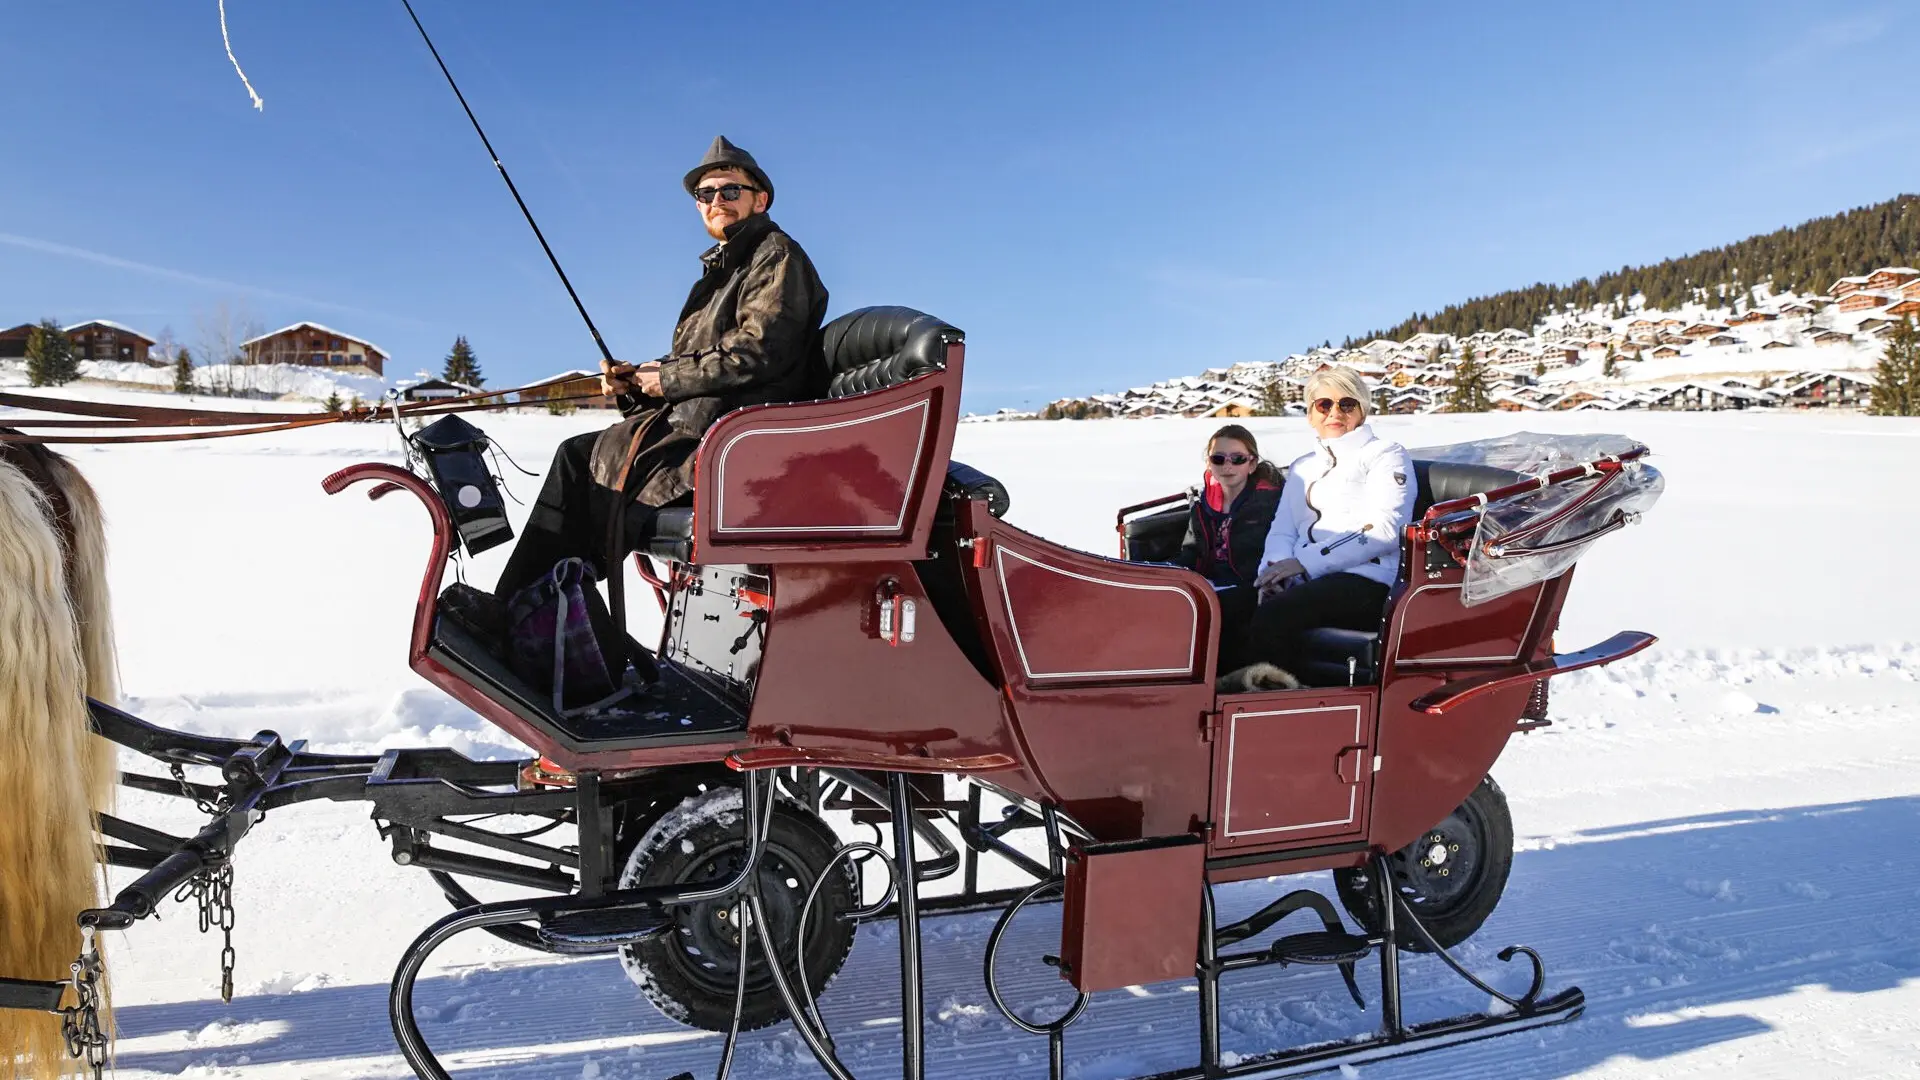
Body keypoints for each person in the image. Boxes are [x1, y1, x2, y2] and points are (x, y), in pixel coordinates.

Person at [492, 136, 830, 601]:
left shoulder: (776, 256)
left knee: (579, 464)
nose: (716, 201)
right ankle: (543, 612)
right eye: (705, 194)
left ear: (760, 199)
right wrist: (637, 384)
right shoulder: (720, 273)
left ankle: (527, 609)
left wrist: (667, 377)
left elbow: (757, 352)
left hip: (734, 441)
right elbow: (704, 363)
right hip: (700, 429)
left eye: (729, 191)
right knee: (581, 462)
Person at [1226, 366, 1415, 690]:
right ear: (1311, 414)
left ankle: (1283, 713)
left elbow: (1385, 527)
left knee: (1276, 618)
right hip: (1307, 578)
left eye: (1347, 404)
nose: (1335, 413)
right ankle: (1217, 709)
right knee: (1224, 611)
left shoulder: (1385, 455)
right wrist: (1273, 573)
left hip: (1368, 580)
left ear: (1362, 410)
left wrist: (1306, 562)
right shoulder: (1303, 466)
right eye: (1324, 405)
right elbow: (1283, 530)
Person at [1170, 424, 1283, 673]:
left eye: (1238, 459)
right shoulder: (1202, 507)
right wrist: (1167, 575)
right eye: (1218, 459)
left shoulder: (1271, 502)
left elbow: (1277, 550)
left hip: (1254, 585)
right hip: (1209, 584)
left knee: (1217, 610)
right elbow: (1191, 552)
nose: (1227, 466)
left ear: (1252, 464)